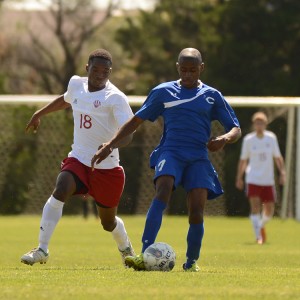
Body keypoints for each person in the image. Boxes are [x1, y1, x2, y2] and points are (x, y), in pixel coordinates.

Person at [91, 48, 241, 272]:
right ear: (177, 68)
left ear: (202, 68)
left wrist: (224, 138)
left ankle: (191, 262)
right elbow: (135, 121)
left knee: (197, 209)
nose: (188, 74)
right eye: (184, 70)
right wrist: (110, 144)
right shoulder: (163, 92)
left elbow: (235, 128)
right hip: (170, 151)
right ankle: (144, 253)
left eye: (193, 70)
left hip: (198, 157)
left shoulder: (212, 95)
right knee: (163, 190)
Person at [21, 49, 135, 267]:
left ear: (110, 72)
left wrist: (110, 145)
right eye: (96, 69)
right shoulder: (76, 85)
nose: (100, 74)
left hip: (107, 168)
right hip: (79, 159)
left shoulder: (116, 98)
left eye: (105, 71)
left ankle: (126, 248)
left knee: (108, 222)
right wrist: (39, 113)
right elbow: (66, 100)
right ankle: (42, 249)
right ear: (87, 68)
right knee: (61, 188)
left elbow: (128, 134)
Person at [236, 112, 286, 244]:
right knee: (255, 207)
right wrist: (239, 177)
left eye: (262, 123)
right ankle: (259, 236)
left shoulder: (271, 138)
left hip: (268, 180)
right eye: (257, 123)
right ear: (254, 125)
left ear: (265, 124)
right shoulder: (248, 140)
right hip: (253, 178)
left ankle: (260, 226)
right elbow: (243, 160)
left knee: (269, 210)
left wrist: (282, 172)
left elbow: (278, 157)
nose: (259, 125)